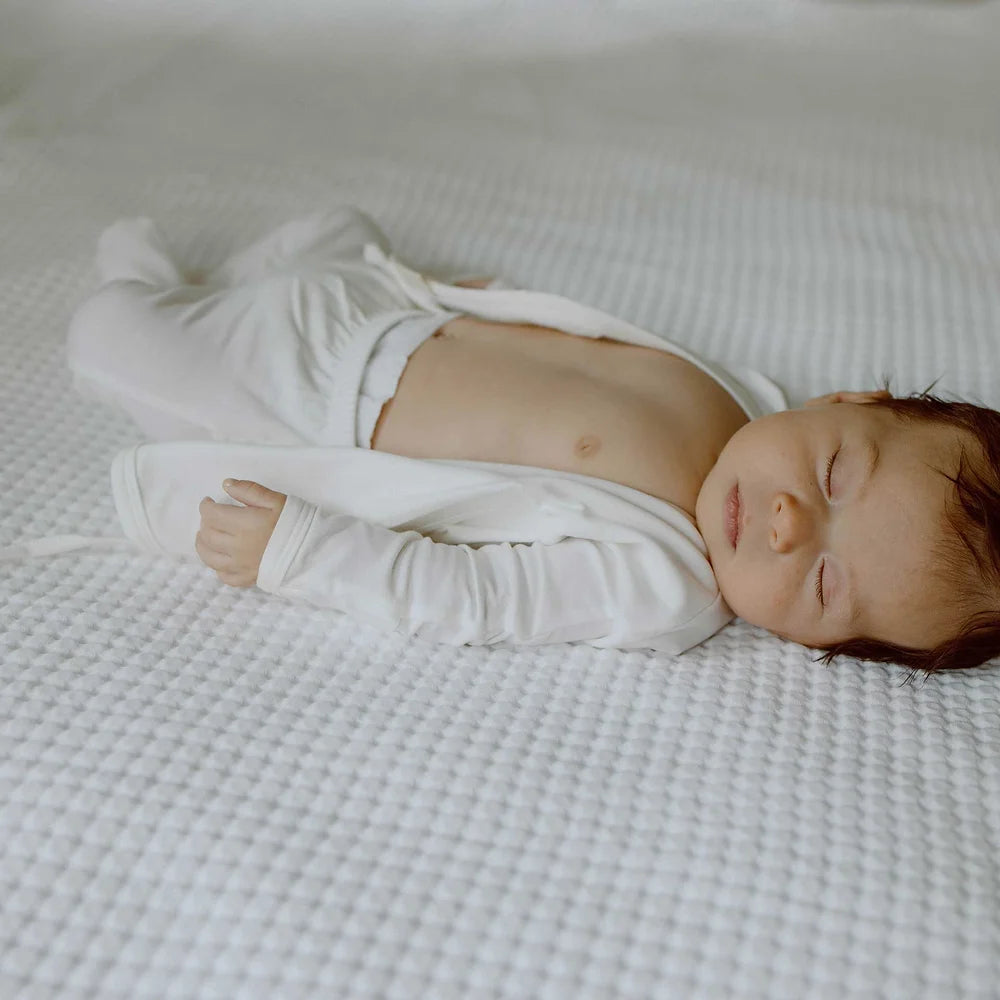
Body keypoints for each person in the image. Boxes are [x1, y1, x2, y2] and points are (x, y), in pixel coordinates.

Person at [66, 209, 1000, 671]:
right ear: (850, 397)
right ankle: (211, 290)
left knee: (109, 343)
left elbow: (475, 597)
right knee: (330, 237)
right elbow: (576, 349)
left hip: (304, 405)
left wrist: (306, 551)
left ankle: (143, 286)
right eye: (835, 470)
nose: (793, 523)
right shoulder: (743, 397)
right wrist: (459, 301)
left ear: (814, 644)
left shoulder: (664, 582)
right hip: (387, 315)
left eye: (827, 582)